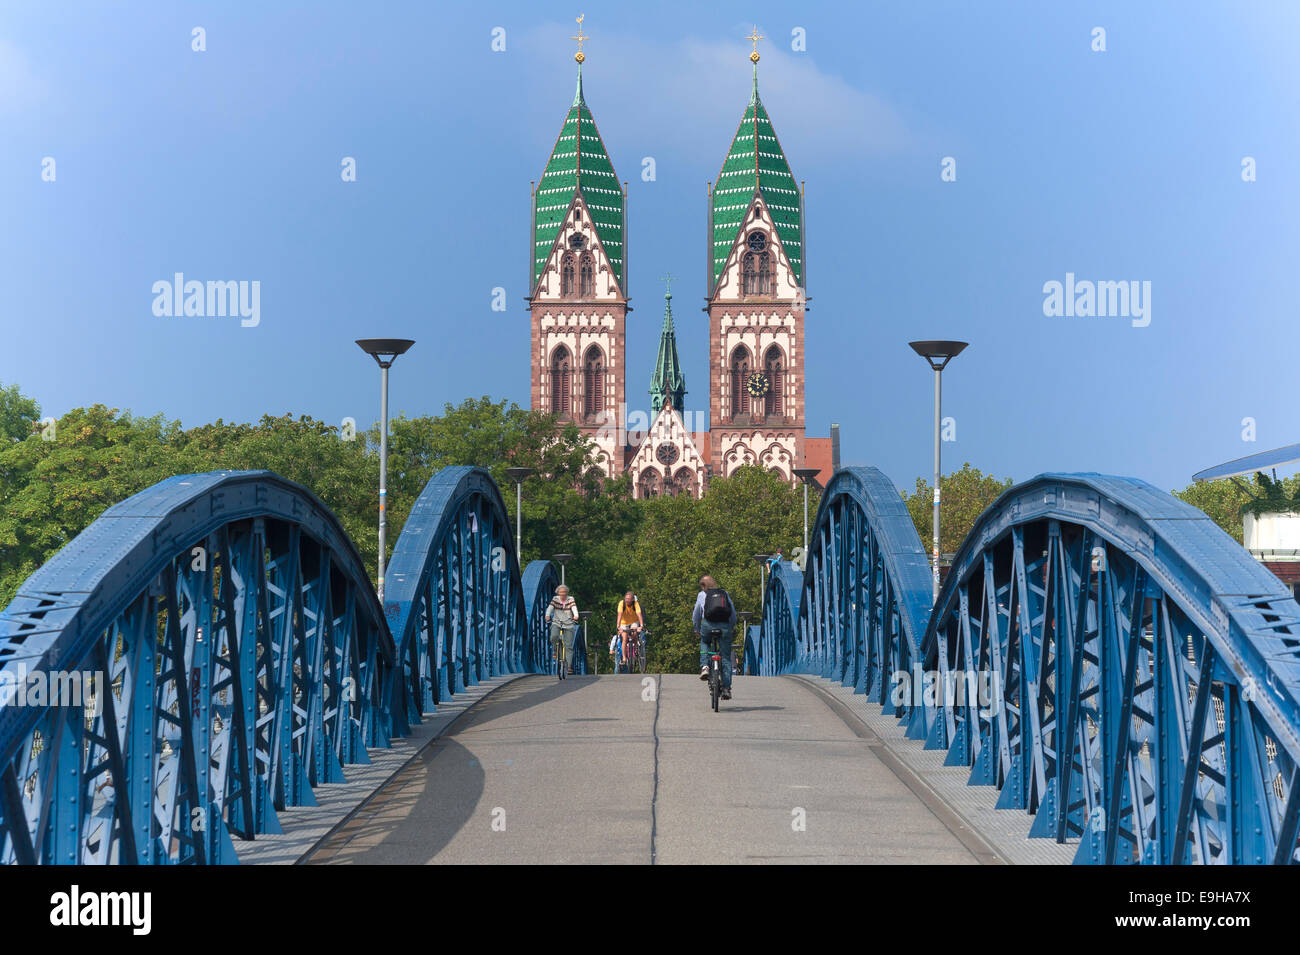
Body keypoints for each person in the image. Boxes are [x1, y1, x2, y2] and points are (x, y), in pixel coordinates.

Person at [692, 575, 736, 700]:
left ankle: (705, 666)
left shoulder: (701, 595)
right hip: (724, 626)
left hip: (708, 624)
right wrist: (731, 627)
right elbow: (732, 613)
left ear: (703, 586)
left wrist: (696, 629)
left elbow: (696, 614)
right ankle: (726, 689)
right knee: (726, 657)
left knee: (705, 641)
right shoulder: (724, 593)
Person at [544, 584, 579, 674]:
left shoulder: (570, 599)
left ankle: (569, 666)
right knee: (553, 636)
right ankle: (555, 649)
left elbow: (574, 608)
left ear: (567, 593)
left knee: (568, 645)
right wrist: (547, 615)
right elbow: (549, 608)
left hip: (568, 623)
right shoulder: (555, 599)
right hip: (557, 622)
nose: (563, 594)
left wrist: (576, 615)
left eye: (564, 592)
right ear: (558, 593)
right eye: (561, 592)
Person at [615, 590, 644, 671]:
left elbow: (639, 614)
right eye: (626, 599)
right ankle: (624, 658)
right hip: (624, 622)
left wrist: (641, 626)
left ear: (632, 599)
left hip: (634, 621)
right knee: (624, 638)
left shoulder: (635, 604)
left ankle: (635, 648)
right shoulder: (622, 603)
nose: (627, 600)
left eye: (629, 599)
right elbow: (619, 615)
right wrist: (618, 626)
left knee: (634, 633)